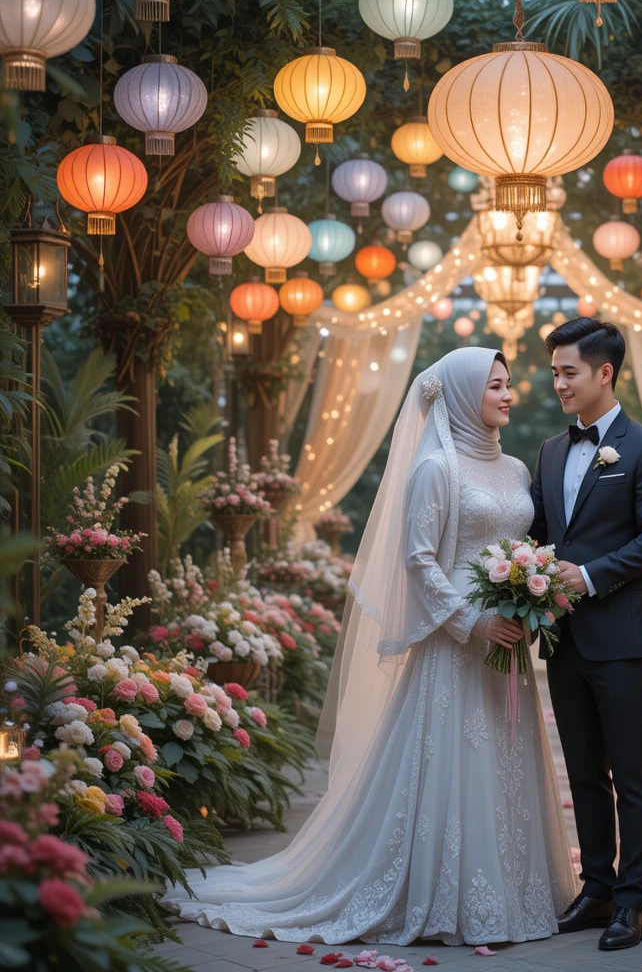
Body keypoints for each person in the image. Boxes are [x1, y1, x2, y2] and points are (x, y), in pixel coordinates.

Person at [162, 347, 577, 946]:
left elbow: (524, 544)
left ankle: (512, 891)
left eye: (508, 385)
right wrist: (470, 621)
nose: (508, 395)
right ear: (463, 395)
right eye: (495, 386)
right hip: (457, 645)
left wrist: (527, 598)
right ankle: (436, 897)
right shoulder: (435, 468)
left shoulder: (515, 470)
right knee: (452, 763)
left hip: (507, 643)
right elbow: (419, 560)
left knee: (507, 760)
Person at [529, 317, 642, 951]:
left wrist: (585, 576)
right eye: (556, 371)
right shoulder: (550, 450)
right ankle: (594, 889)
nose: (558, 382)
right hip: (563, 639)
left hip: (622, 637)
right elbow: (538, 534)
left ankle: (631, 903)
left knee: (631, 773)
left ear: (604, 373)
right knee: (583, 772)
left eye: (569, 372)